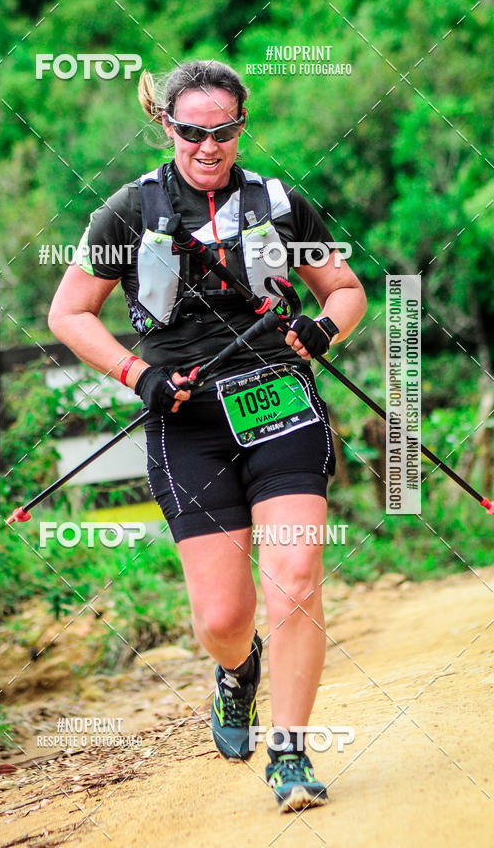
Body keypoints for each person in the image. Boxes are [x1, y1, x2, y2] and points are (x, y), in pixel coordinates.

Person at [48, 60, 367, 812]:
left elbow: (345, 290)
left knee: (295, 576)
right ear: (167, 126)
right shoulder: (129, 211)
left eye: (224, 131)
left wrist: (323, 329)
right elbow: (69, 313)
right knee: (222, 619)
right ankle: (236, 670)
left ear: (240, 127)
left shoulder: (279, 204)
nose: (209, 146)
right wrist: (139, 375)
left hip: (277, 404)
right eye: (193, 132)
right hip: (187, 423)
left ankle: (289, 752)